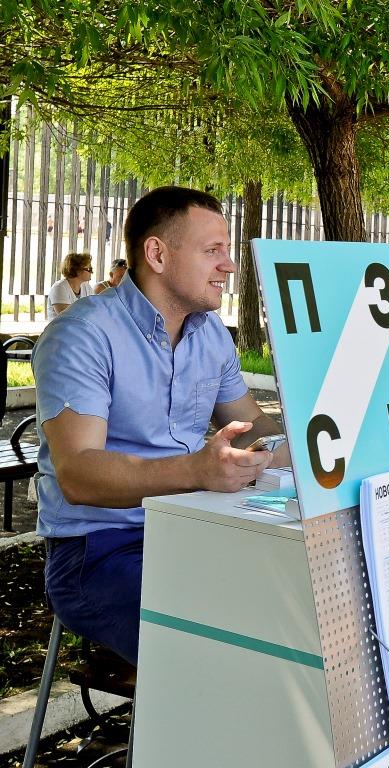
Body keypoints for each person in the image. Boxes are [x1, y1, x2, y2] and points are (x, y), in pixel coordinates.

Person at [34, 186, 289, 665]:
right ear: (157, 253)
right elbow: (79, 474)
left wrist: (334, 437)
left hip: (194, 528)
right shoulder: (84, 333)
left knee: (301, 602)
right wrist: (196, 471)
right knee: (226, 642)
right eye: (213, 251)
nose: (229, 266)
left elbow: (252, 427)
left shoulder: (209, 333)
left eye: (227, 251)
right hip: (97, 551)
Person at [45, 252, 94, 318]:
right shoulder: (59, 288)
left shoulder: (87, 287)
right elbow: (67, 317)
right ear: (77, 270)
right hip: (62, 327)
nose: (92, 272)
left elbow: (94, 310)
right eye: (89, 269)